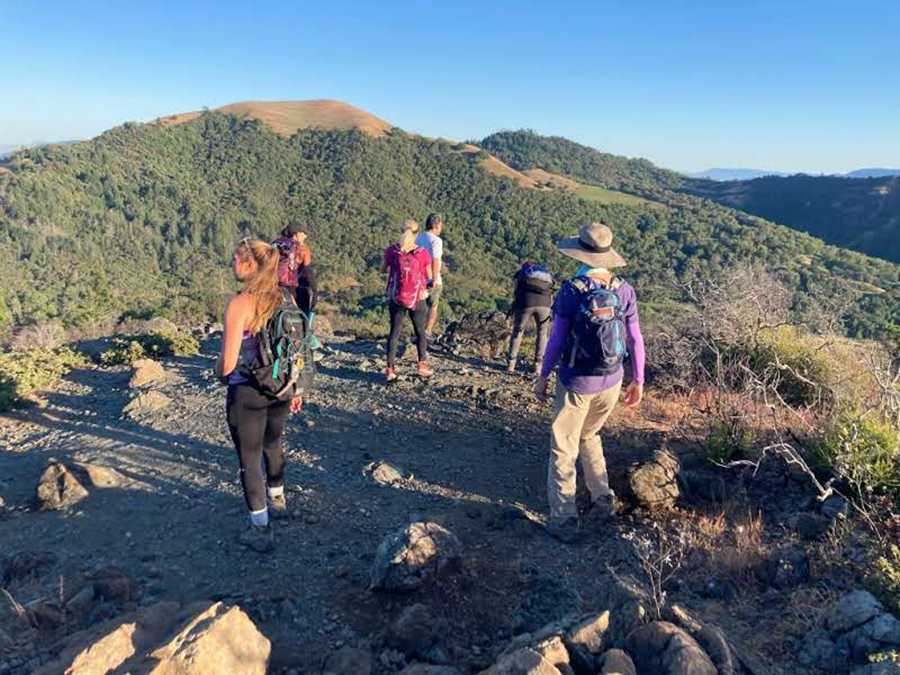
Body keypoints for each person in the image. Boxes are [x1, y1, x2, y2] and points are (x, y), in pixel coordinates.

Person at [534, 222, 645, 542]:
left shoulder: (572, 290)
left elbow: (555, 340)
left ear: (580, 253)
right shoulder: (624, 290)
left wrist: (543, 376)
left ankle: (564, 519)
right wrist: (638, 378)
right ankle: (602, 500)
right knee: (590, 435)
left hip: (577, 381)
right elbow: (635, 338)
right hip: (612, 380)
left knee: (563, 447)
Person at [215, 238, 304, 553]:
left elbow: (228, 363)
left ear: (250, 265)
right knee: (273, 443)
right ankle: (278, 500)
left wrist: (218, 373)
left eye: (234, 259)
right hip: (280, 387)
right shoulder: (285, 296)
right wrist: (295, 388)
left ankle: (260, 528)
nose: (231, 264)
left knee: (249, 458)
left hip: (248, 391)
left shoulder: (240, 304)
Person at [382, 220, 434, 381]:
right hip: (417, 298)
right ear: (416, 234)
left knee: (394, 332)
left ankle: (390, 369)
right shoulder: (423, 252)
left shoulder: (392, 250)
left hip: (396, 297)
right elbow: (429, 276)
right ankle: (422, 365)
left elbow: (383, 269)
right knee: (420, 332)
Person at [507, 260, 554, 374]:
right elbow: (551, 292)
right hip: (545, 305)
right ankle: (538, 366)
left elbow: (515, 290)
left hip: (525, 303)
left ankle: (511, 364)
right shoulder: (546, 276)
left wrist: (515, 305)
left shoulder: (521, 273)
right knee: (542, 334)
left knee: (518, 331)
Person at [415, 213, 445, 340]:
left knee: (419, 307)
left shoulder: (418, 238)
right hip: (432, 279)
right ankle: (427, 332)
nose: (441, 227)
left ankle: (418, 331)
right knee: (433, 307)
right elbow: (436, 260)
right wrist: (433, 279)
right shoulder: (436, 241)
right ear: (436, 225)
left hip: (417, 278)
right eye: (441, 224)